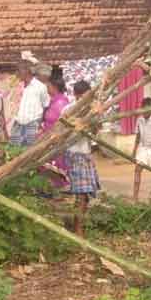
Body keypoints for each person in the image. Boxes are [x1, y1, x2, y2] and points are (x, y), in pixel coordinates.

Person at [65, 80, 101, 236]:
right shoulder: (68, 110)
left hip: (85, 153)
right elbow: (63, 133)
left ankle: (78, 226)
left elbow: (95, 132)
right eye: (83, 97)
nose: (85, 99)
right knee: (81, 193)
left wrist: (94, 121)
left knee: (85, 194)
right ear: (76, 95)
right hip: (75, 153)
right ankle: (78, 230)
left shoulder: (91, 111)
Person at [40, 77, 71, 188]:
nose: (47, 89)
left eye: (48, 87)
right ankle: (55, 185)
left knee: (57, 162)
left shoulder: (61, 103)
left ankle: (62, 185)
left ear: (54, 88)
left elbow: (61, 122)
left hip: (56, 138)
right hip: (49, 137)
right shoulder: (53, 101)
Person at [10, 60, 49, 147]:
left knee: (30, 152)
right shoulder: (18, 86)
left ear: (27, 70)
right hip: (18, 123)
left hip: (33, 124)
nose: (16, 73)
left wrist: (39, 123)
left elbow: (46, 105)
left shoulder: (40, 87)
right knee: (14, 151)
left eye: (18, 70)